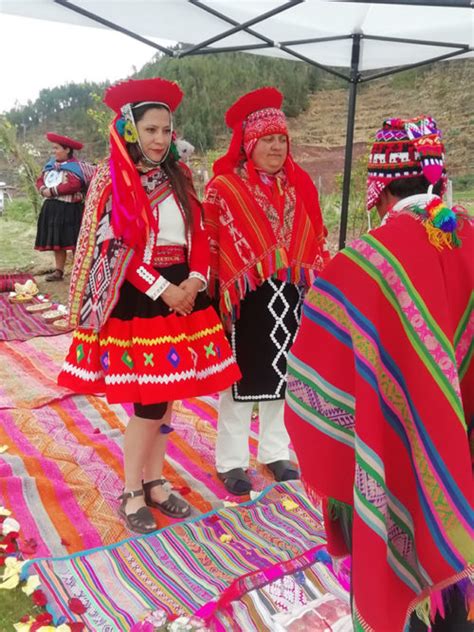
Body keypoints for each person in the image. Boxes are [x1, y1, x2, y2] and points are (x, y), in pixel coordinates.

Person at [285, 116, 473, 631]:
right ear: (436, 178)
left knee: (408, 508)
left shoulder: (361, 263)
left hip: (400, 453)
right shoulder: (468, 235)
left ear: (379, 189)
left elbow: (309, 383)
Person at [58, 77, 241, 534]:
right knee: (147, 403)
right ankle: (132, 489)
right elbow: (116, 249)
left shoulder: (178, 177)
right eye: (151, 130)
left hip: (183, 295)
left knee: (168, 397)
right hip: (140, 300)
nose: (160, 139)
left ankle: (156, 481)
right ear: (131, 130)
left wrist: (196, 281)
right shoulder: (112, 178)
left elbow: (199, 236)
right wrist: (166, 291)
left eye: (166, 130)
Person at [203, 87, 330, 495]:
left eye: (281, 140)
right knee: (241, 381)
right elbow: (213, 245)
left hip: (291, 294)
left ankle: (276, 452)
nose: (276, 147)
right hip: (245, 299)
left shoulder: (299, 186)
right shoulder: (224, 188)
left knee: (284, 376)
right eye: (268, 140)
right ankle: (231, 461)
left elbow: (316, 237)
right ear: (249, 144)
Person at [35, 133, 94, 281]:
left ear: (67, 150)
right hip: (52, 208)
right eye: (53, 148)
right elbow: (40, 180)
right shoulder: (50, 166)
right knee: (58, 241)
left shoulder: (76, 167)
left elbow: (74, 184)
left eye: (56, 148)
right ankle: (58, 271)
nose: (53, 151)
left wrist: (53, 191)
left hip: (70, 209)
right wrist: (42, 189)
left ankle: (79, 272)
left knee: (75, 241)